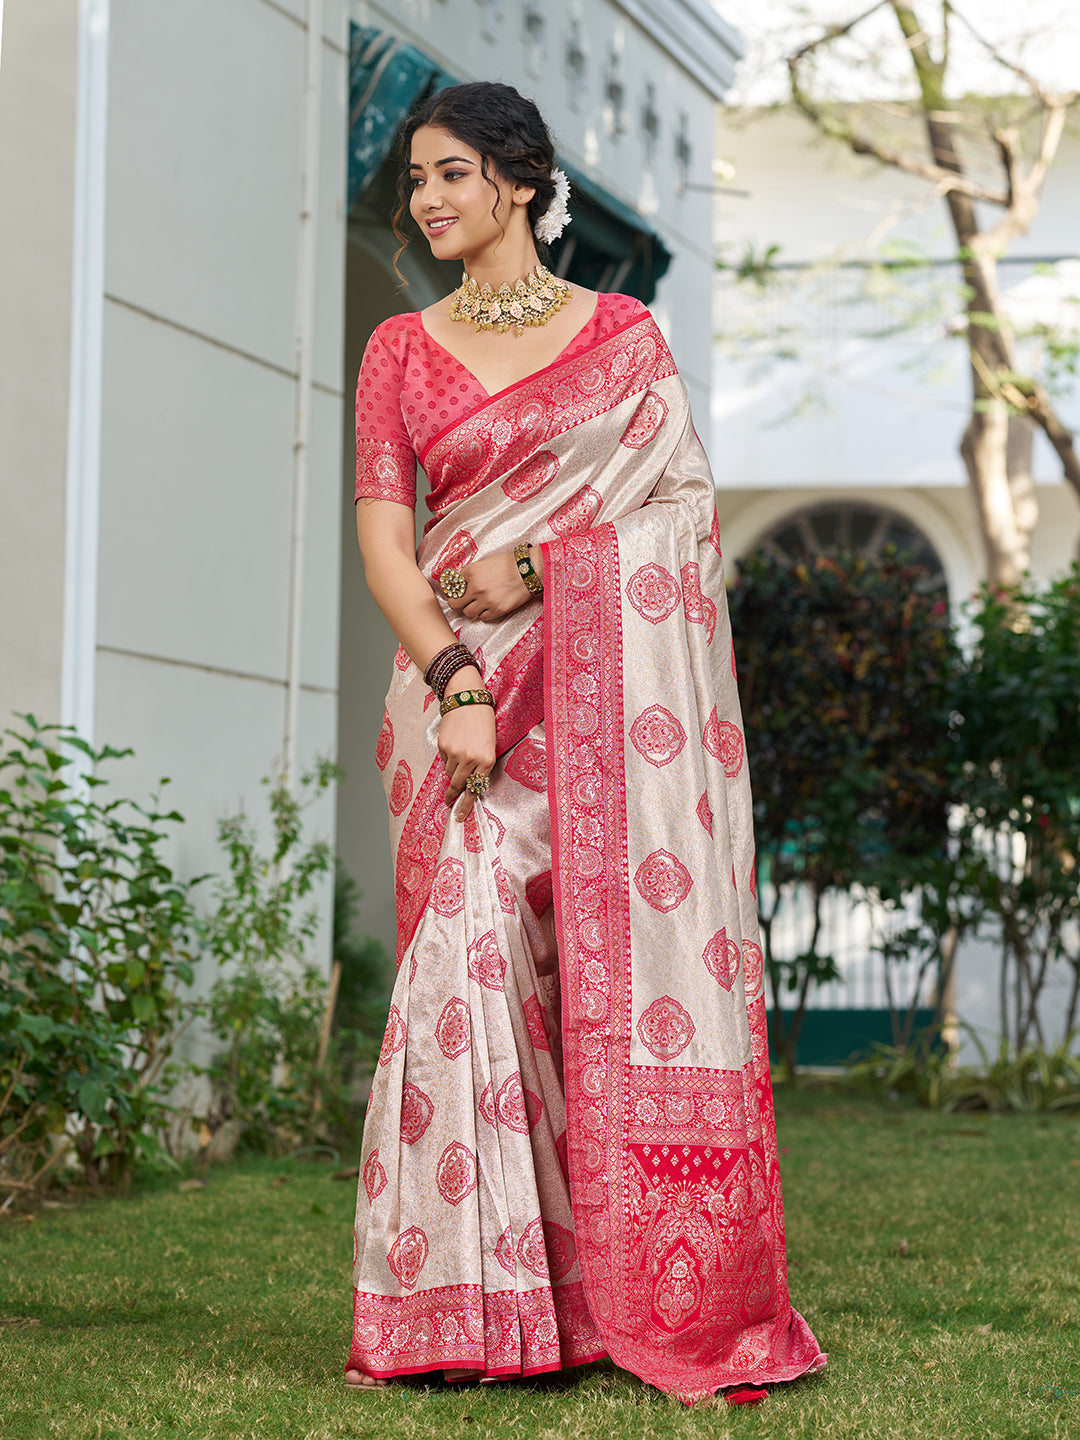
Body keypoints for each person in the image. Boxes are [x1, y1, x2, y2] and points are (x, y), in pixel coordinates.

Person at [344, 80, 825, 1406]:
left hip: (603, 690)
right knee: (475, 937)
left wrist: (547, 563)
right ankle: (461, 1309)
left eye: (449, 175)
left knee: (586, 979)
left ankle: (589, 1301)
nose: (428, 201)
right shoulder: (400, 347)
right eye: (415, 184)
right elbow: (387, 540)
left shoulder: (624, 340)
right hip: (459, 690)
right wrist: (451, 674)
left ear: (517, 179)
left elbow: (680, 515)